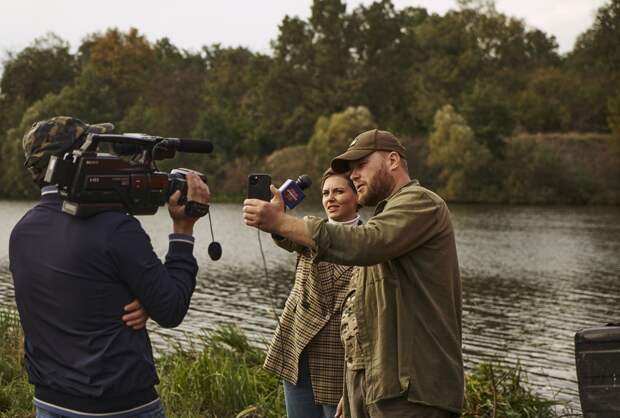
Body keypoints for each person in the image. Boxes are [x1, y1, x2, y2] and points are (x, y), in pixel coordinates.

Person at [243, 129, 463, 418]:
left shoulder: (421, 203)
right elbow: (361, 315)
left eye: (361, 165)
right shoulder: (387, 217)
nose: (355, 175)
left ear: (393, 160)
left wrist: (281, 222)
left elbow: (364, 244)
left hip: (414, 395)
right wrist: (355, 387)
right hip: (382, 389)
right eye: (351, 170)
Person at [9, 117, 210, 418]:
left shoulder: (22, 231)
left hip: (49, 403)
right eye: (95, 150)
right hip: (120, 407)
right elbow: (170, 310)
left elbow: (79, 291)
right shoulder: (115, 228)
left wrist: (135, 296)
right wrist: (183, 229)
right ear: (77, 161)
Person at [264, 168, 360, 418]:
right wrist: (277, 218)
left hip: (337, 358)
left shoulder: (369, 242)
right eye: (326, 192)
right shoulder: (308, 230)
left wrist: (356, 380)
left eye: (339, 191)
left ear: (357, 196)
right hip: (297, 346)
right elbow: (285, 237)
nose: (331, 198)